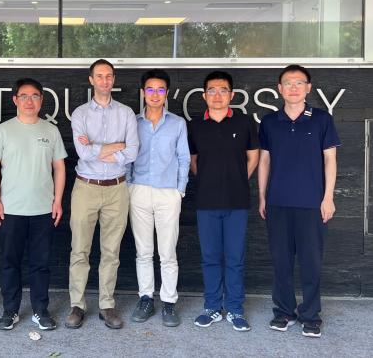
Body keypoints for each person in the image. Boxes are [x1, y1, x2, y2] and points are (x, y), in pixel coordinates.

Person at [258, 64, 340, 338]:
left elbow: (330, 160)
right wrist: (262, 196)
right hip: (278, 202)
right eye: (288, 83)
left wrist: (328, 198)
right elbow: (264, 161)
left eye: (299, 83)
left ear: (308, 88)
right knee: (281, 261)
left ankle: (311, 315)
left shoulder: (321, 119)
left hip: (312, 203)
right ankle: (284, 312)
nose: (293, 88)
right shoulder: (270, 122)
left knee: (311, 262)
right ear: (279, 89)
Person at [0, 78, 67, 331]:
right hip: (11, 209)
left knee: (41, 264)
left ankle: (41, 310)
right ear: (15, 100)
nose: (29, 101)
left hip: (43, 209)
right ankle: (10, 311)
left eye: (34, 96)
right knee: (10, 263)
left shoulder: (50, 131)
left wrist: (58, 200)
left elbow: (59, 167)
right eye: (24, 96)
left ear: (41, 100)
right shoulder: (4, 130)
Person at [65, 59, 139, 330]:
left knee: (111, 251)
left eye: (109, 76)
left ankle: (106, 305)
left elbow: (132, 152)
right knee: (79, 250)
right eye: (99, 76)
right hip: (86, 187)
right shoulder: (81, 114)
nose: (105, 80)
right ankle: (77, 305)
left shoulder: (127, 113)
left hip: (117, 189)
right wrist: (116, 146)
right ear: (91, 80)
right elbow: (83, 153)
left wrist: (99, 148)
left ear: (113, 79)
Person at [188, 71, 259, 332]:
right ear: (204, 95)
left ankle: (236, 309)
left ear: (232, 94)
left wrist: (237, 179)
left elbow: (253, 157)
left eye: (223, 90)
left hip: (236, 201)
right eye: (212, 90)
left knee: (235, 257)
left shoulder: (244, 122)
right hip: (206, 201)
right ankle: (212, 307)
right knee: (210, 257)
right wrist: (210, 180)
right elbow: (193, 161)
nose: (217, 95)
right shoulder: (195, 125)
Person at [127, 69, 190, 327]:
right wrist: (129, 187)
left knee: (167, 252)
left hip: (168, 192)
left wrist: (179, 190)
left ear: (167, 93)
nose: (155, 94)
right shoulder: (133, 122)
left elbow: (184, 158)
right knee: (143, 251)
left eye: (160, 89)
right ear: (143, 93)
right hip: (139, 190)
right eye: (150, 89)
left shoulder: (177, 123)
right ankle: (146, 298)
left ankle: (169, 302)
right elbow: (128, 156)